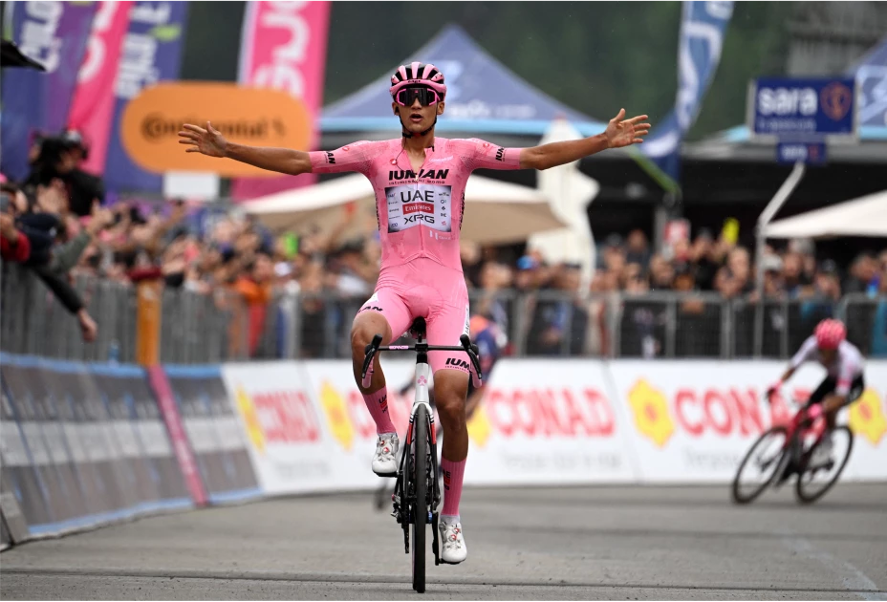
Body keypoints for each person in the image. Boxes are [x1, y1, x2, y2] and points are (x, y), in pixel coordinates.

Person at [178, 61, 649, 564]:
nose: (418, 104)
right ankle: (386, 433)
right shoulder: (372, 155)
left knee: (450, 400)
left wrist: (599, 142)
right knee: (362, 334)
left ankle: (451, 519)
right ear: (396, 106)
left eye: (427, 96)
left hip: (447, 293)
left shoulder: (463, 153)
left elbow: (534, 156)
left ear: (440, 105)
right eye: (408, 97)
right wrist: (229, 150)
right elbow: (299, 162)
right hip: (396, 288)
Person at [766, 318, 865, 467]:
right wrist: (777, 384)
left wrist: (821, 408)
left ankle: (827, 445)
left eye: (828, 350)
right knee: (806, 410)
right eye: (821, 349)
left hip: (854, 384)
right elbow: (793, 367)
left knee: (830, 408)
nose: (824, 354)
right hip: (832, 378)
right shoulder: (811, 345)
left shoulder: (848, 359)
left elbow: (840, 396)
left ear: (837, 347)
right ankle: (798, 447)